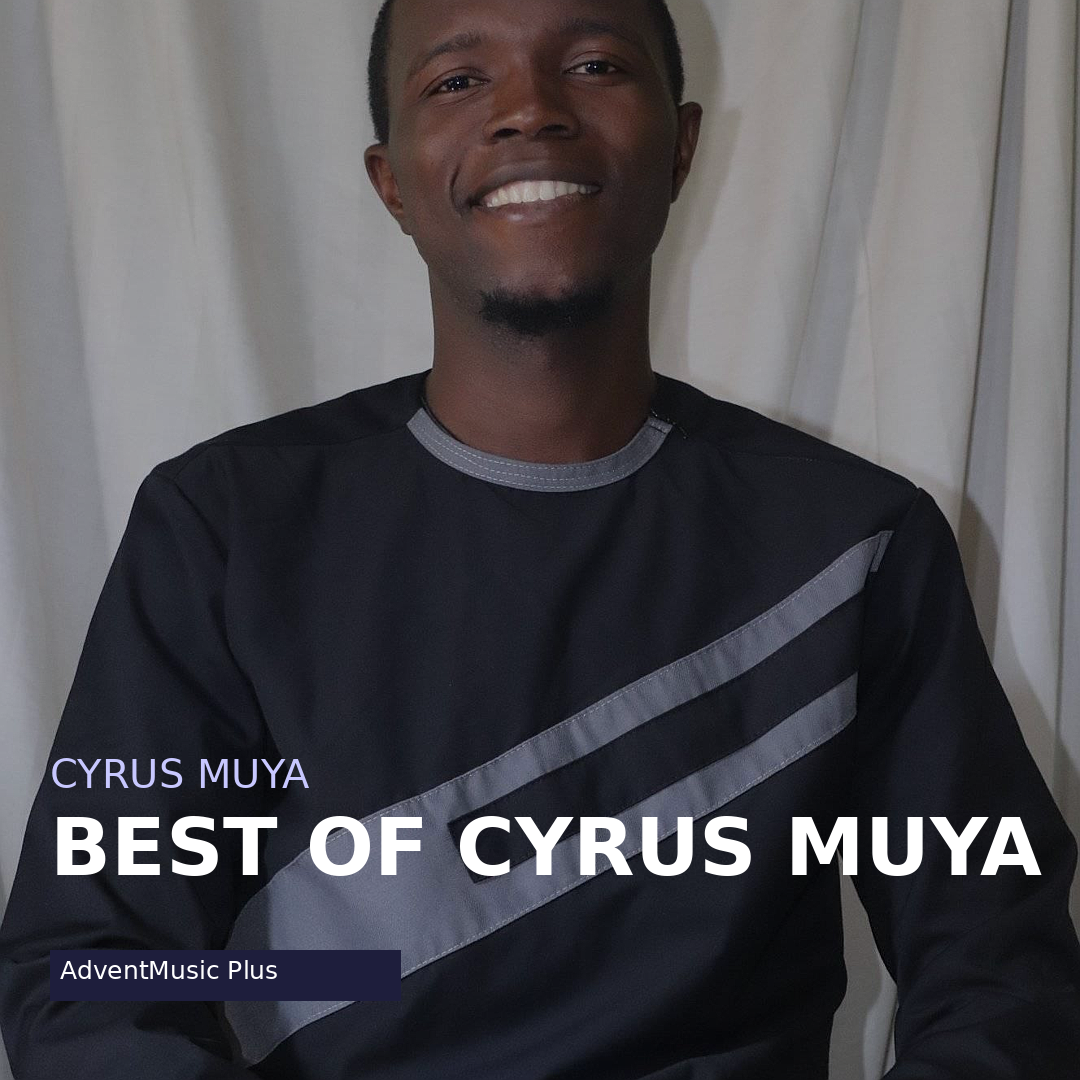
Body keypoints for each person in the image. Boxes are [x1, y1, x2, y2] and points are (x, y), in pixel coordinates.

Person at [2, 0, 1079, 1076]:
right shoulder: (226, 528)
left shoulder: (854, 542)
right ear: (391, 182)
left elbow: (1000, 969)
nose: (529, 110)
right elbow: (95, 971)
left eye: (595, 65)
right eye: (458, 81)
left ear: (682, 147)